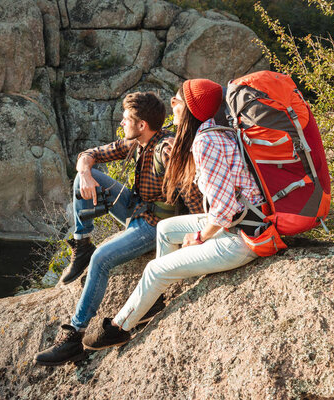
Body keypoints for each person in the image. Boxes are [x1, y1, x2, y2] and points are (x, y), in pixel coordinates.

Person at [80, 79, 265, 350]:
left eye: (177, 101)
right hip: (243, 218)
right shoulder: (214, 131)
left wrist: (200, 237)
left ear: (190, 108)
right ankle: (153, 300)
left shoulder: (205, 142)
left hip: (243, 236)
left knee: (155, 269)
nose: (172, 106)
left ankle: (120, 327)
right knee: (166, 230)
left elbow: (225, 210)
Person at [34, 91, 203, 366]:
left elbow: (193, 193)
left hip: (153, 225)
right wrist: (86, 172)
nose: (122, 123)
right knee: (83, 177)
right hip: (134, 209)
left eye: (126, 120)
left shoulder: (165, 149)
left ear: (142, 125)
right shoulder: (136, 143)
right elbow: (88, 155)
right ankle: (82, 244)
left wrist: (199, 235)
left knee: (102, 259)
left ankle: (74, 337)